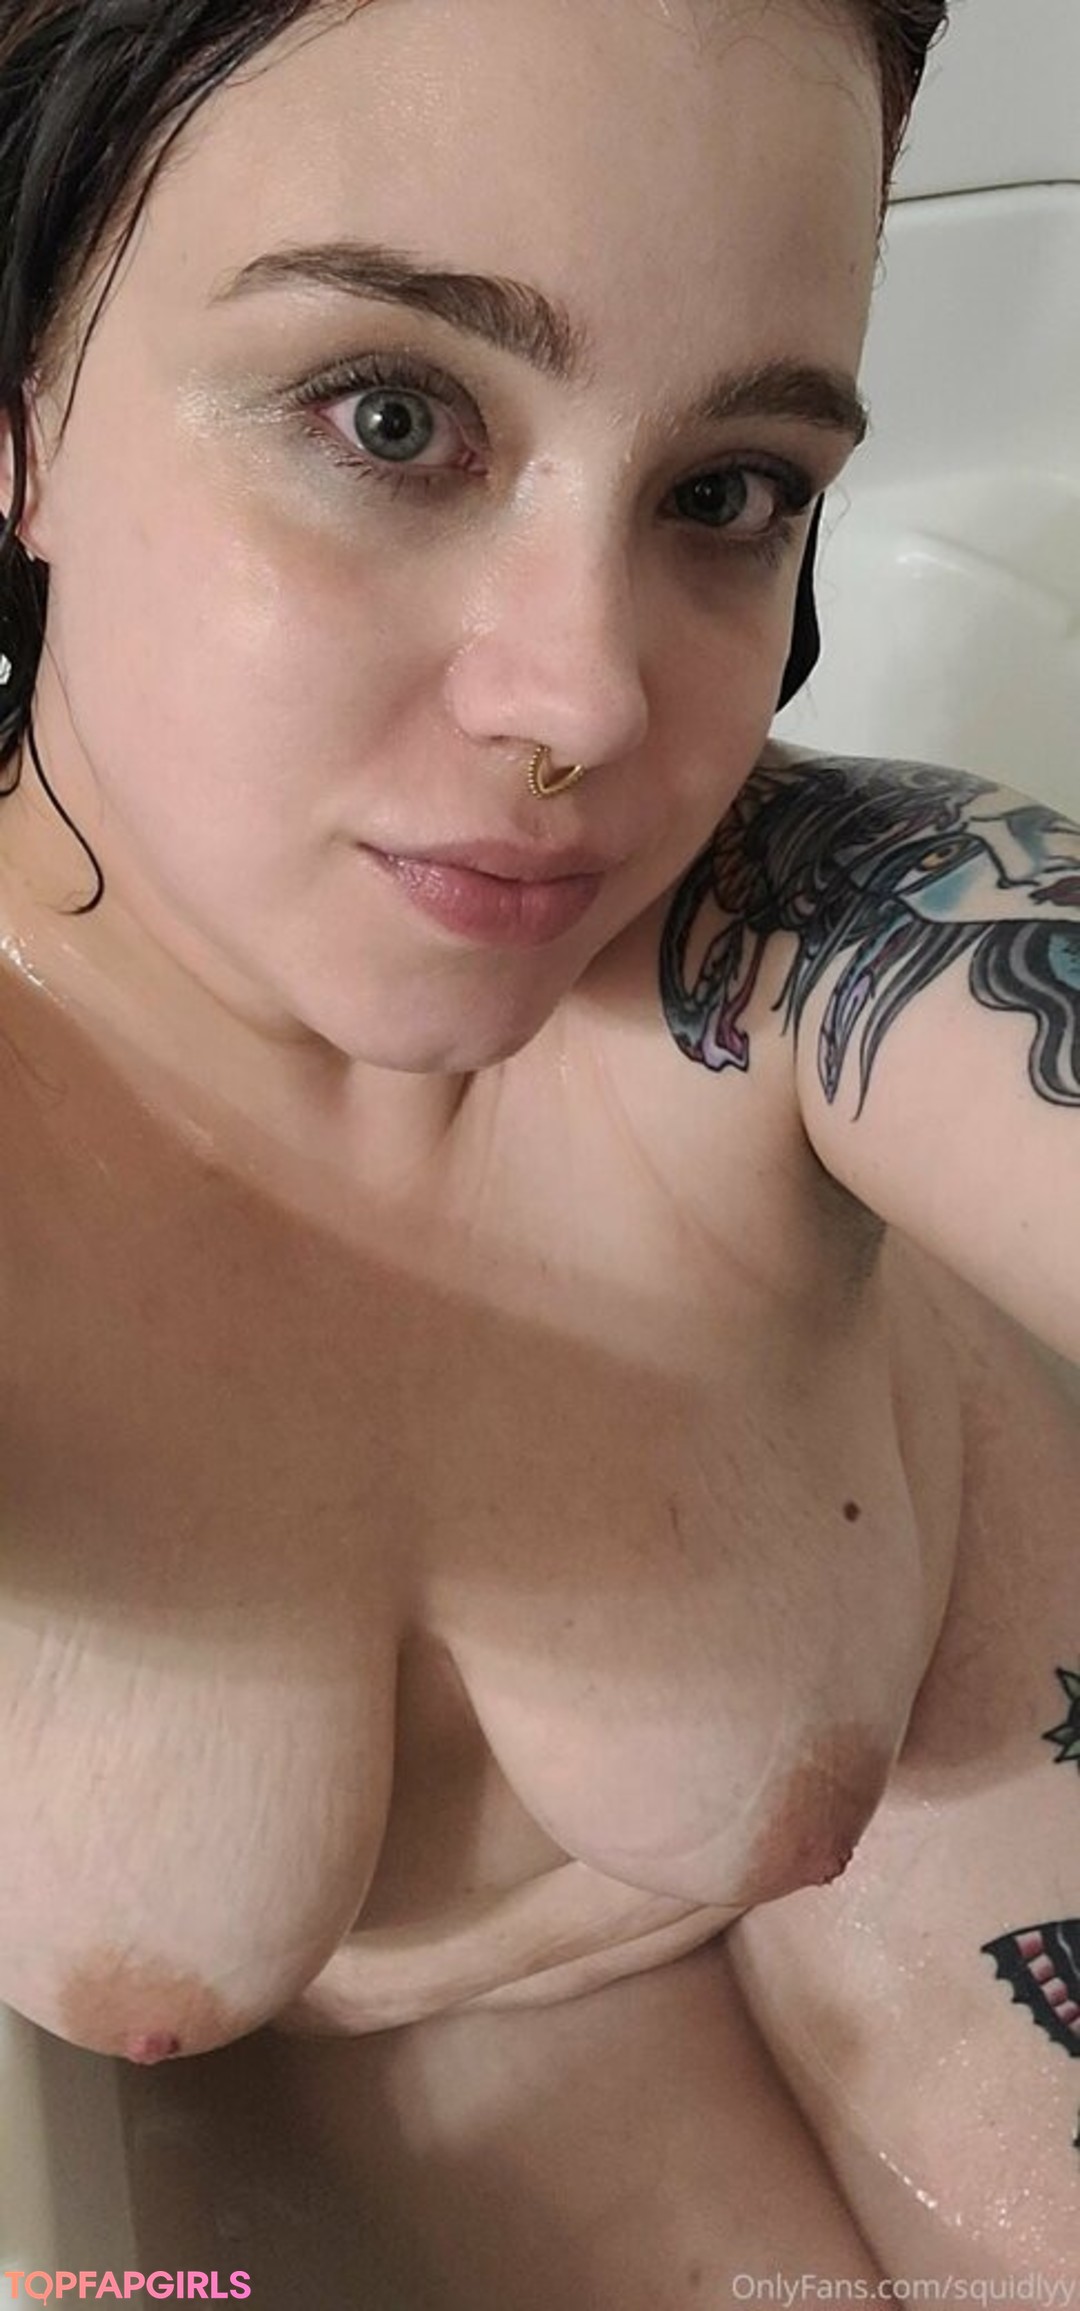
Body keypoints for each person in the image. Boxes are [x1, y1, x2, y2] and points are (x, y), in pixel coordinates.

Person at [0, 0, 1077, 2300]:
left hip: (962, 1750)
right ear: (20, 406)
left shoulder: (804, 949)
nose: (588, 697)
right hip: (435, 2072)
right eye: (389, 415)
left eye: (731, 491)